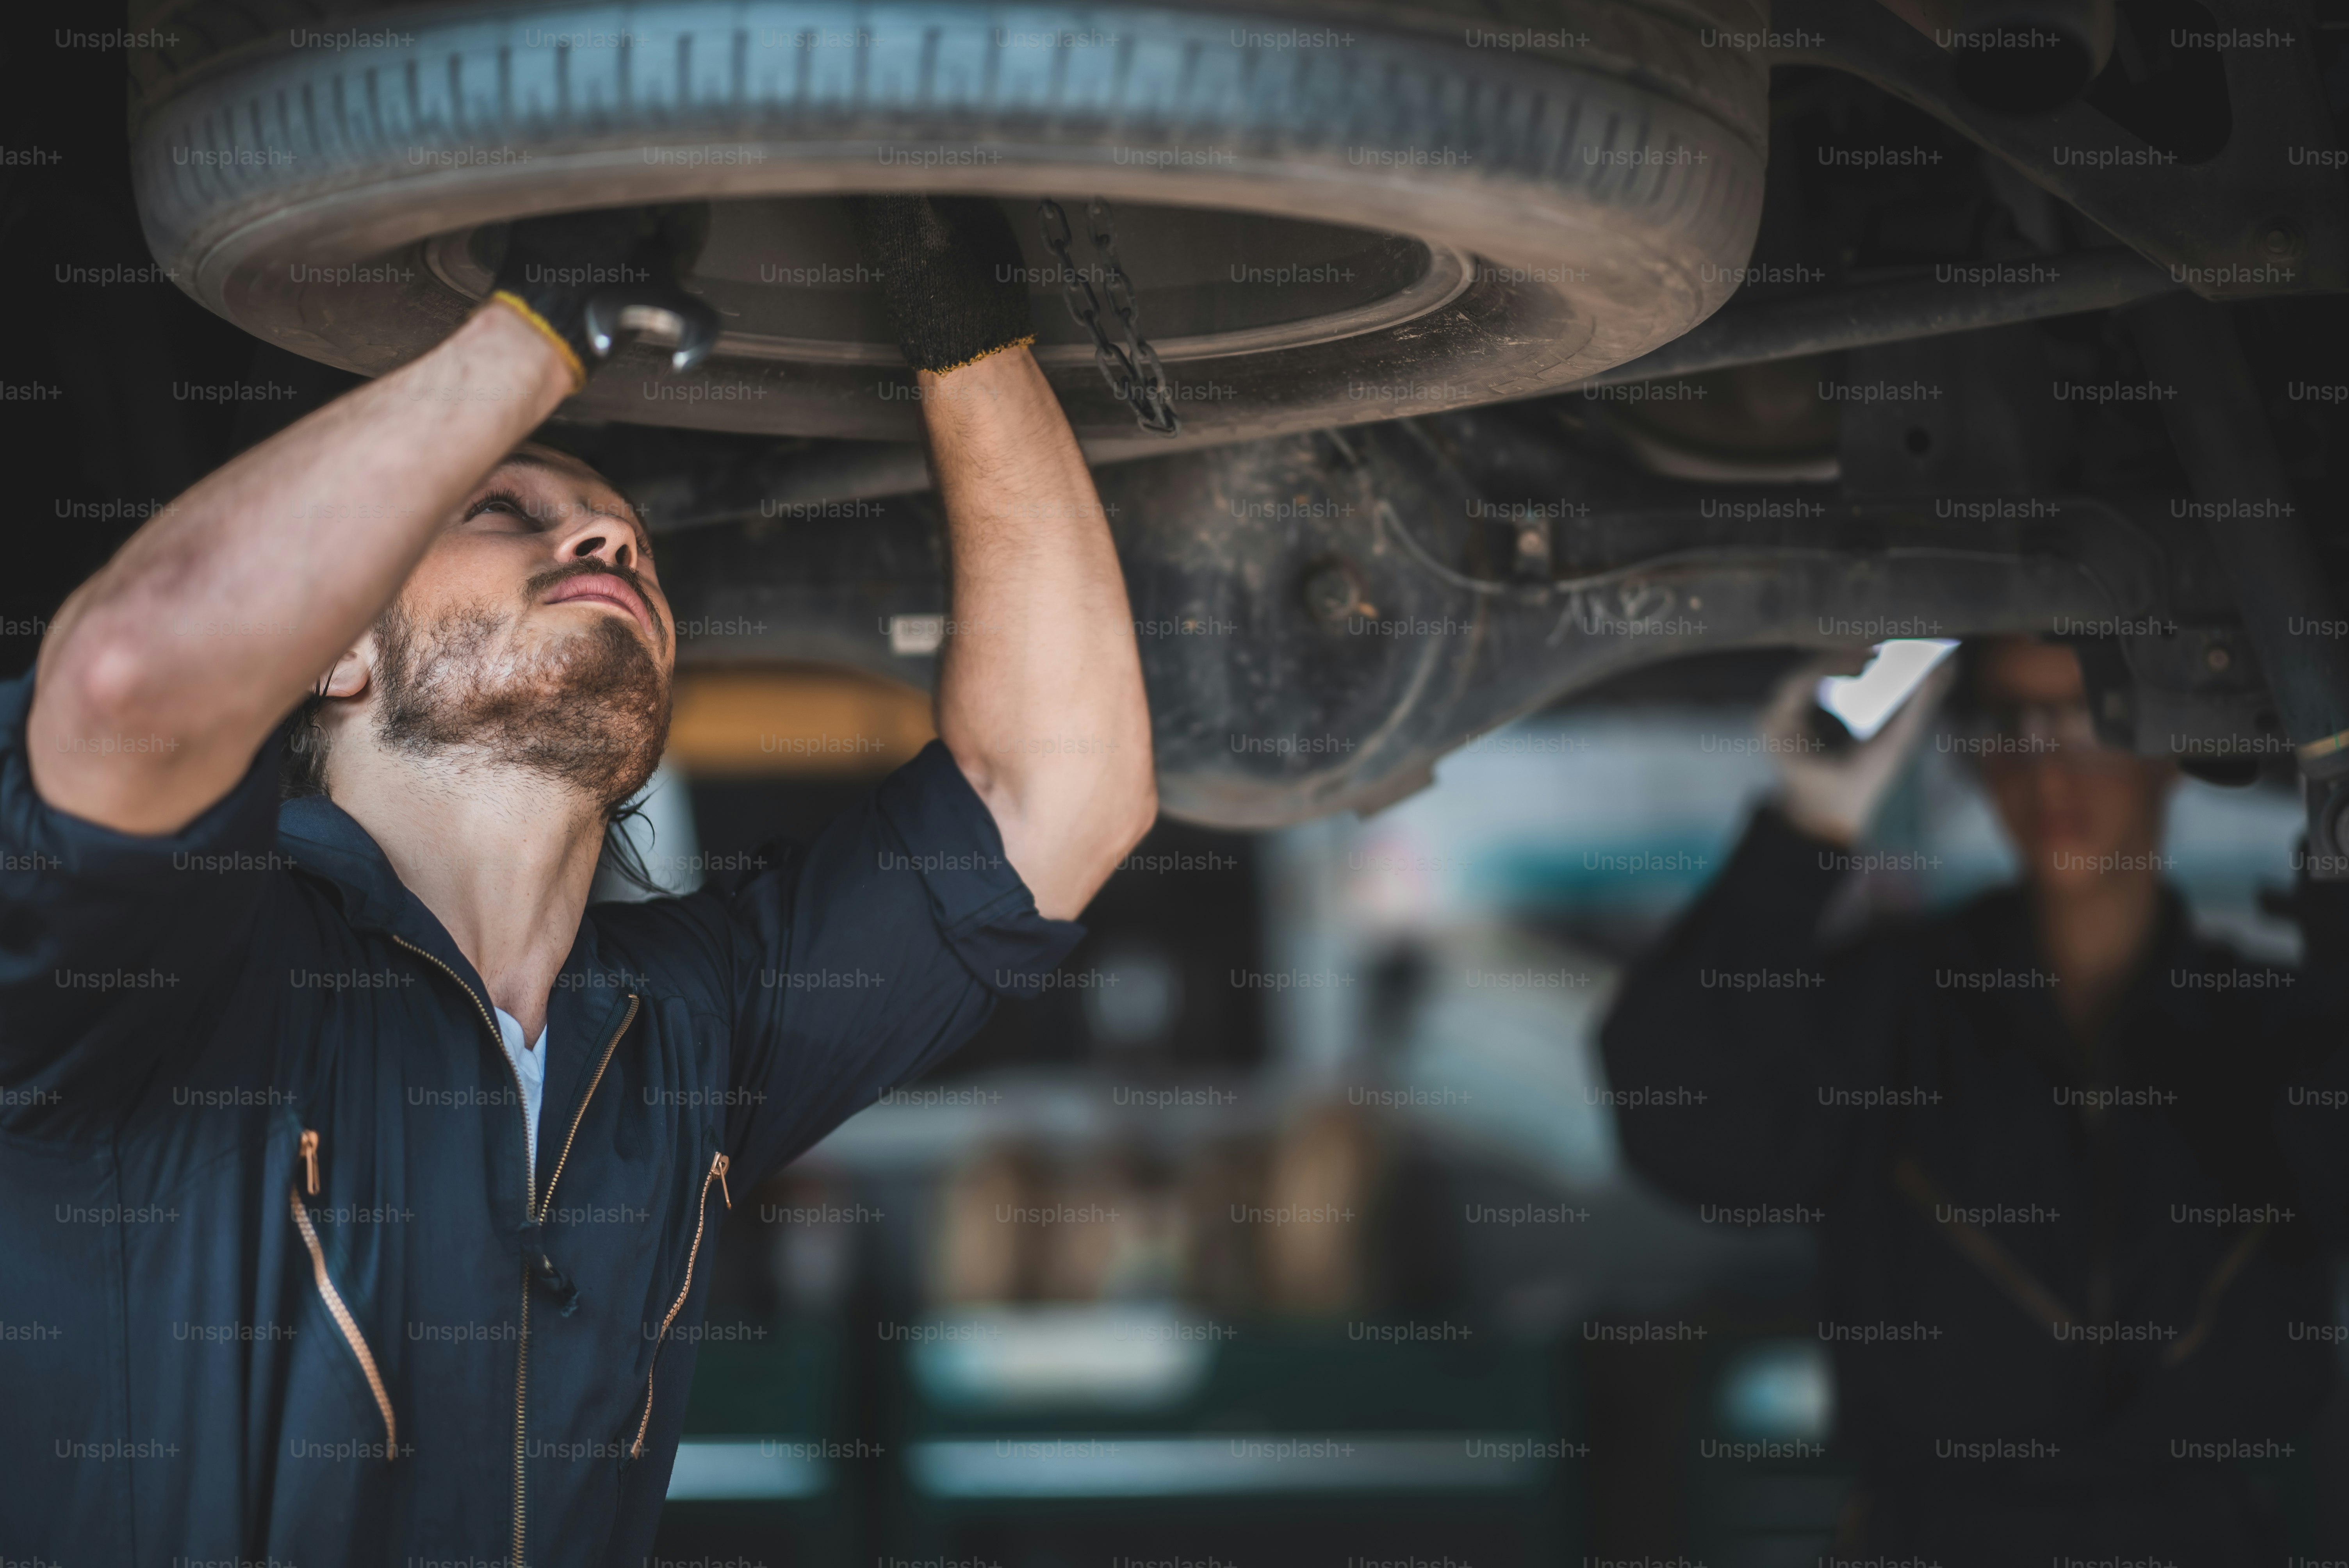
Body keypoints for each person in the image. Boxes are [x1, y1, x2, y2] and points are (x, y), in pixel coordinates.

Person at [0, 198, 1157, 1566]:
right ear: (332, 651)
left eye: (628, 540)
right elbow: (129, 677)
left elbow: (1059, 799)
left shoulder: (676, 1026)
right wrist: (535, 328)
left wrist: (964, 329)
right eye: (505, 509)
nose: (607, 539)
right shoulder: (177, 974)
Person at [1600, 637, 2349, 1567]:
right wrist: (1806, 830)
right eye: (2011, 724)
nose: (2046, 767)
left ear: (2172, 745)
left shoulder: (2263, 1032)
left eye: (2085, 722)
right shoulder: (1891, 1015)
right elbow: (1685, 1126)